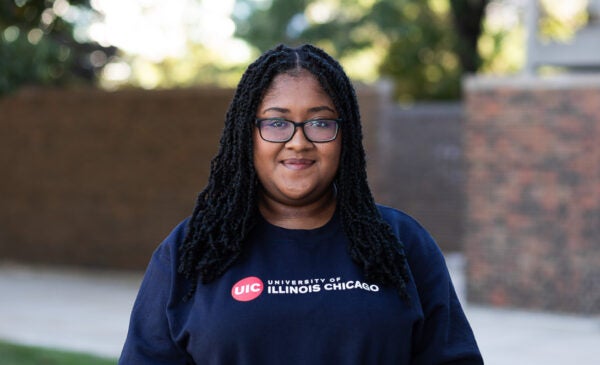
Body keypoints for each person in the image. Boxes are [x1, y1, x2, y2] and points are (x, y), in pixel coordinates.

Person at [119, 44, 483, 364]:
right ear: (247, 135)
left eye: (320, 123)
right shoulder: (190, 251)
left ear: (346, 136)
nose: (298, 141)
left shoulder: (402, 243)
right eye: (277, 122)